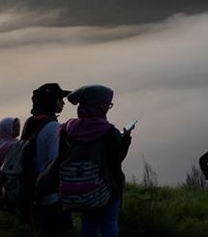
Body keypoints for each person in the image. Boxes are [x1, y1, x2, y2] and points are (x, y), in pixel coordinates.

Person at [59, 85, 132, 237]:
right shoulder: (108, 131)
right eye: (108, 104)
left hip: (80, 187)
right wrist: (126, 138)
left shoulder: (68, 129)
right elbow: (117, 158)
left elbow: (62, 156)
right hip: (108, 186)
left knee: (88, 224)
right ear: (100, 106)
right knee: (109, 223)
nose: (108, 107)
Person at [22, 82, 73, 236]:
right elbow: (56, 162)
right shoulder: (52, 128)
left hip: (34, 192)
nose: (63, 102)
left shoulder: (30, 123)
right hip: (52, 196)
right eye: (59, 99)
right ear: (50, 102)